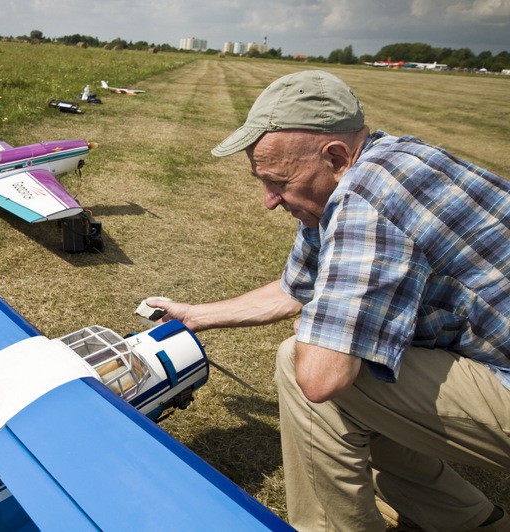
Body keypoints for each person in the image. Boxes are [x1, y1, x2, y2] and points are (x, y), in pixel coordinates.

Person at [147, 70, 510, 531]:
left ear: (335, 156)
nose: (269, 201)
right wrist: (196, 315)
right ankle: (472, 521)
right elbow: (295, 290)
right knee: (365, 367)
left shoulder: (364, 198)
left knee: (307, 372)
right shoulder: (378, 161)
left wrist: (325, 336)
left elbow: (321, 378)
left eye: (278, 181)